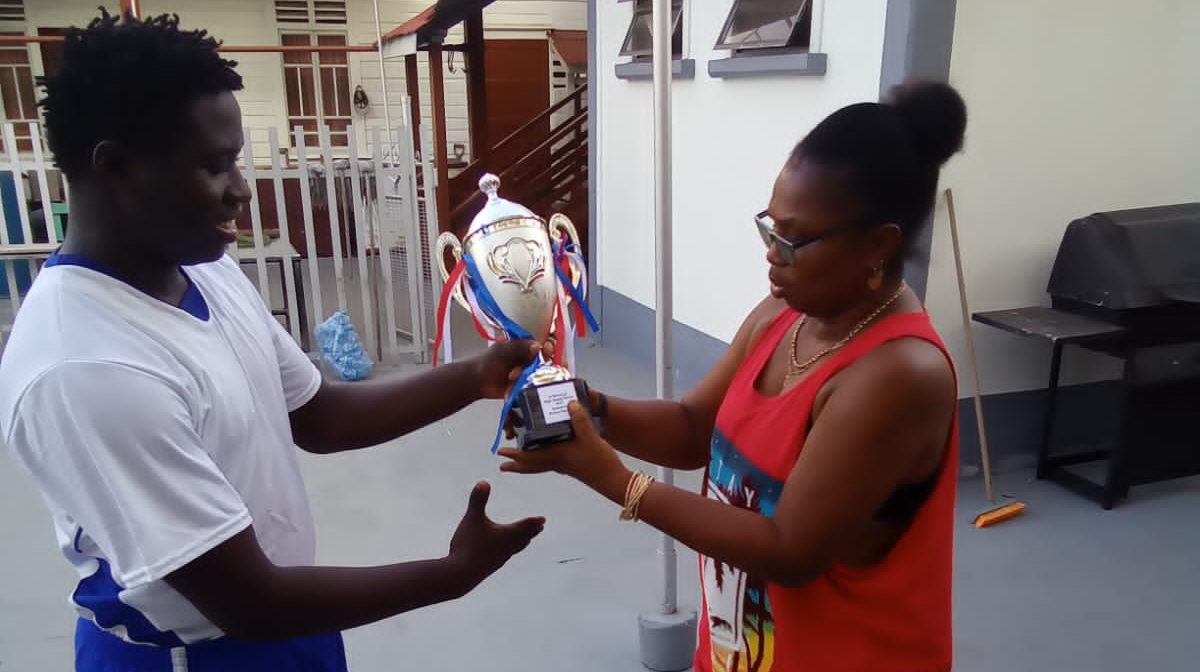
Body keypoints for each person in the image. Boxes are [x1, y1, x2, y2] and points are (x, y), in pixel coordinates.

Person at [0, 11, 545, 671]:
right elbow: (246, 600)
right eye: (214, 166)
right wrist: (449, 575)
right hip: (195, 654)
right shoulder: (86, 367)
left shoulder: (203, 266)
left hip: (294, 621)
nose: (242, 191)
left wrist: (477, 375)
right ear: (117, 168)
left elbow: (316, 415)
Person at [499, 81, 967, 671]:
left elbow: (789, 550)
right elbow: (694, 427)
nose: (772, 253)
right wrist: (585, 406)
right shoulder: (784, 315)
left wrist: (619, 482)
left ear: (878, 246)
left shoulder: (899, 374)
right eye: (770, 228)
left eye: (793, 239)